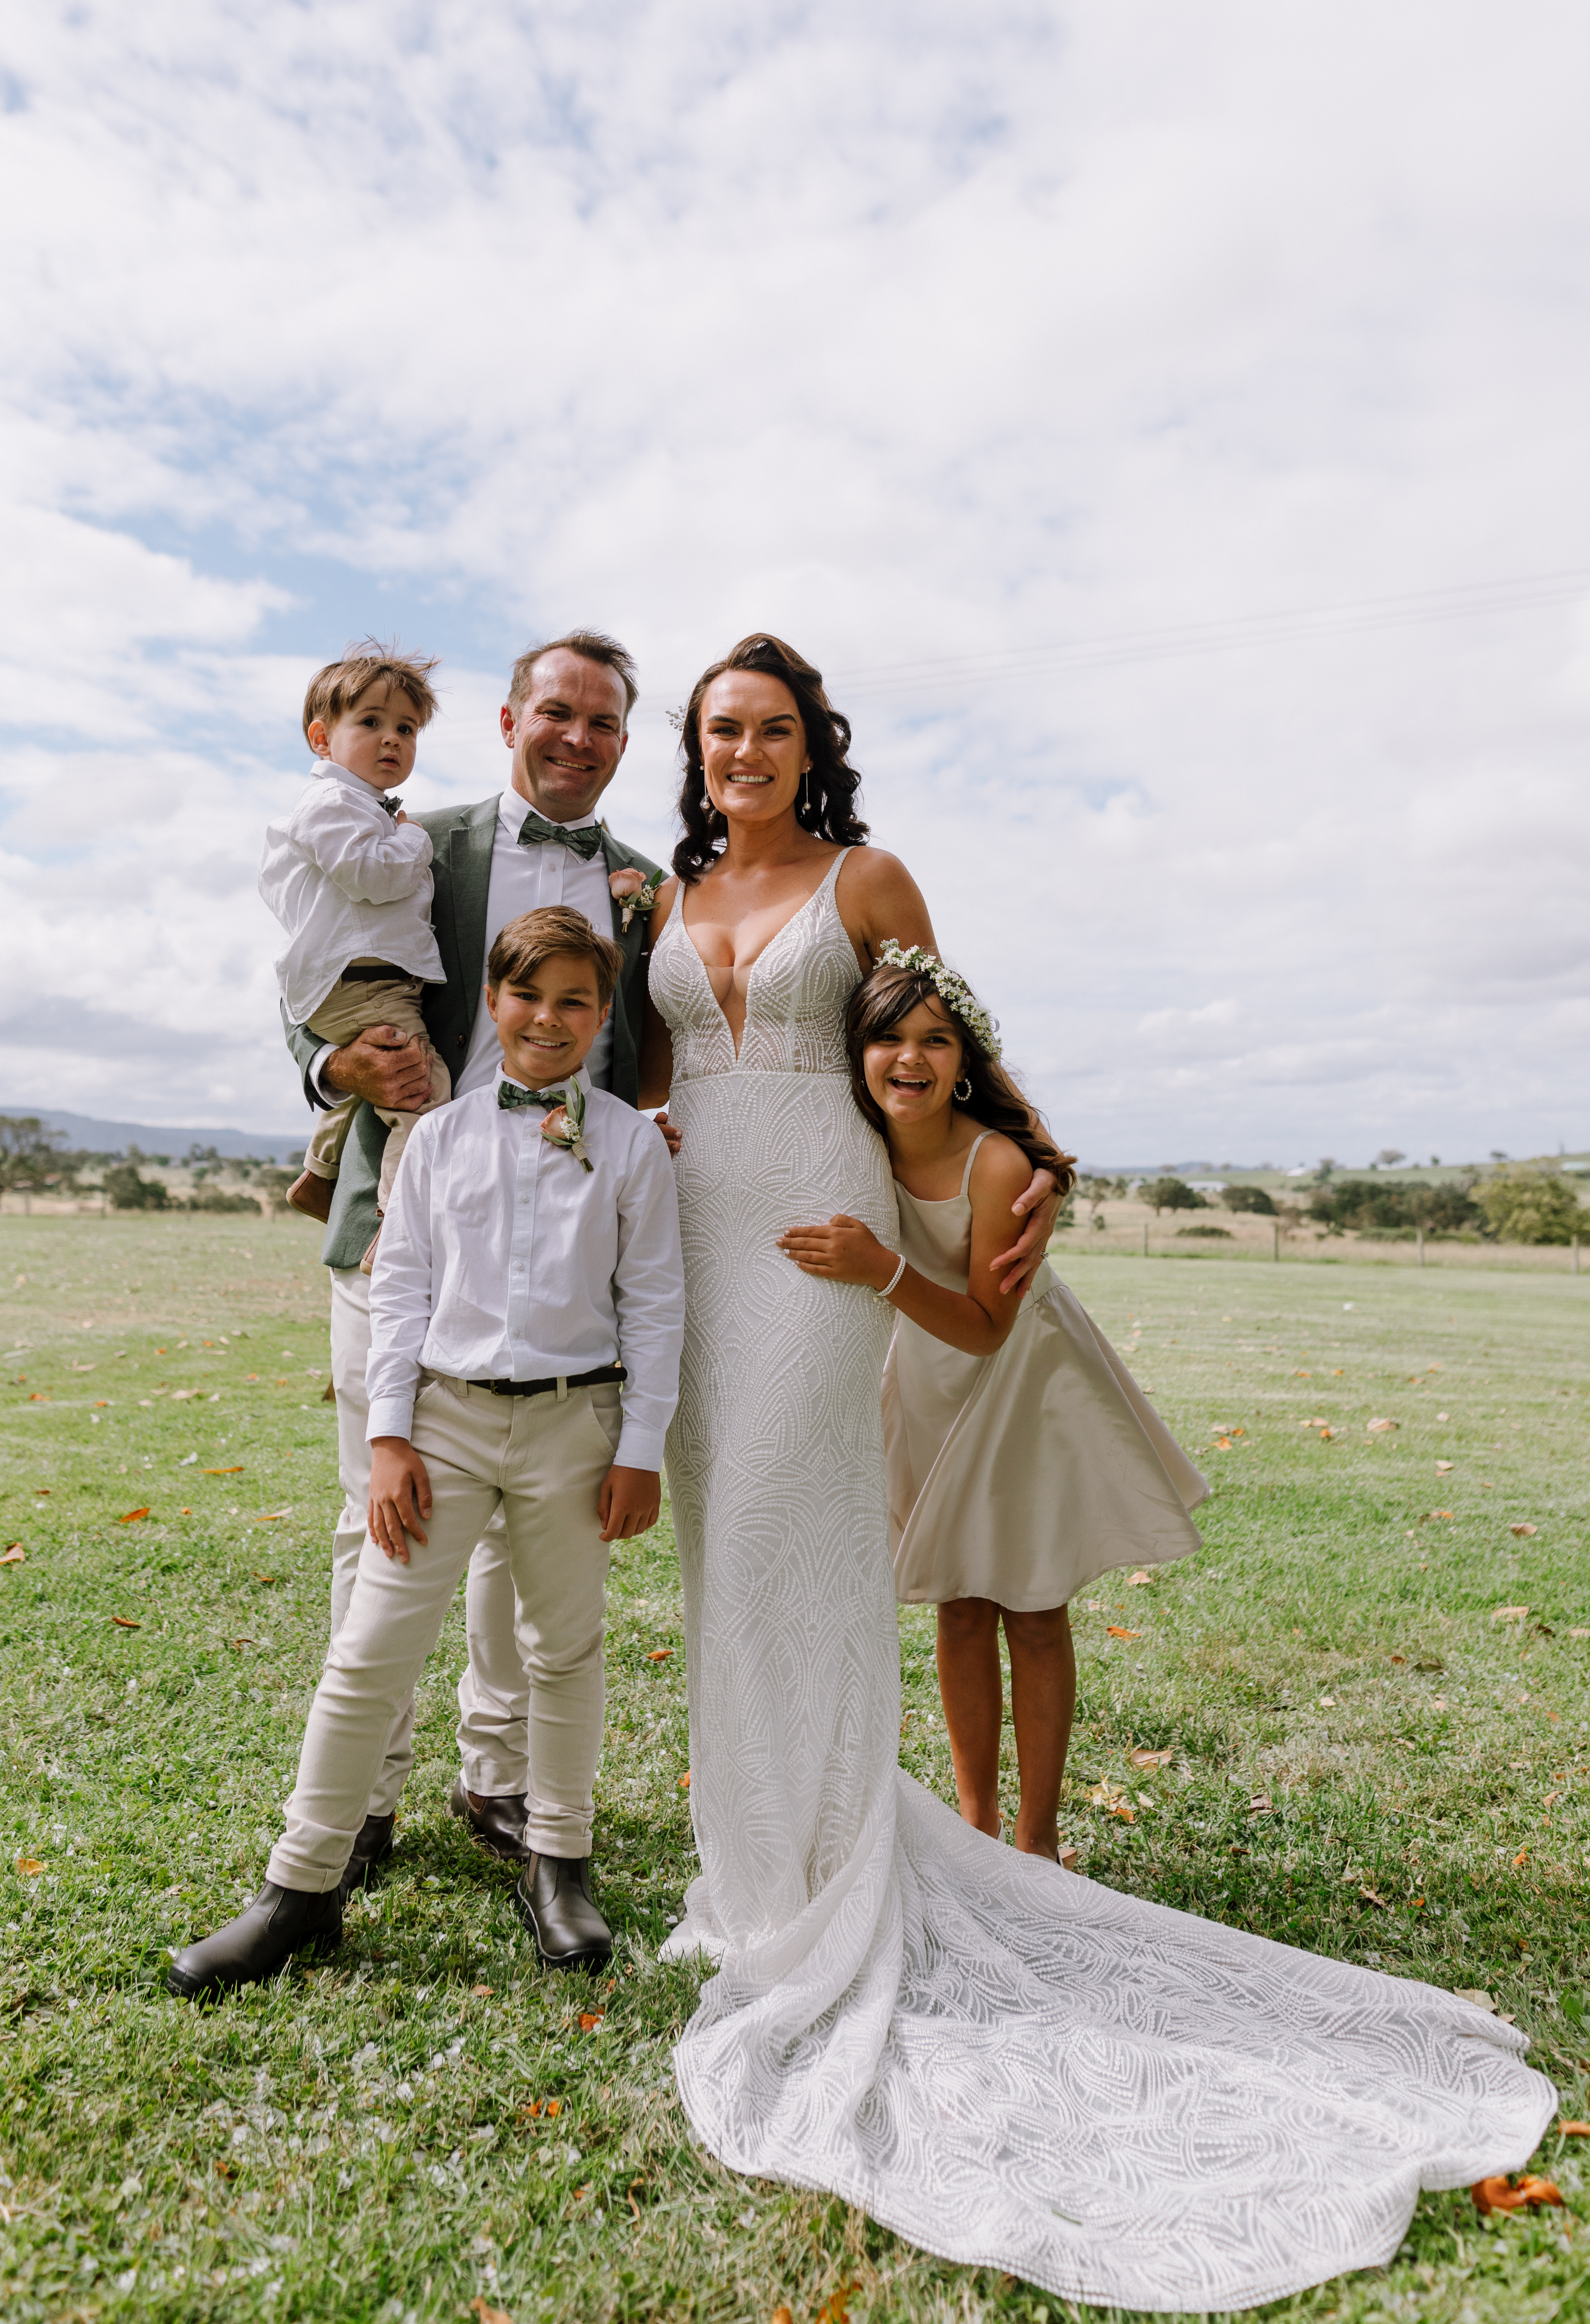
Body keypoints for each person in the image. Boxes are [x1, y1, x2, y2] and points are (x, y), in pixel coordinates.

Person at [639, 632, 1553, 2315]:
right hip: (697, 1248)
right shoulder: (669, 901)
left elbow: (946, 1031)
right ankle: (758, 1869)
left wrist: (1037, 1162)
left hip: (829, 1261)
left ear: (809, 743)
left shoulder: (869, 874)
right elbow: (638, 1071)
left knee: (793, 1539)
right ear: (693, 753)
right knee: (720, 1564)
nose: (744, 752)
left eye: (770, 728)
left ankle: (830, 1885)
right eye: (720, 731)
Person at [168, 908, 684, 1995]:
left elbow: (655, 1301)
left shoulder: (632, 1144)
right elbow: (399, 1289)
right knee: (370, 1649)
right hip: (442, 1423)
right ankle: (299, 1886)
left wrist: (640, 1445)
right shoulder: (440, 1134)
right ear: (493, 1003)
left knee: (564, 1652)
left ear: (603, 1016)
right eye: (528, 995)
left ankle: (558, 1861)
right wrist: (393, 1435)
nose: (549, 1018)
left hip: (573, 1427)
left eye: (575, 1000)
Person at [280, 630, 668, 1895]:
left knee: (529, 1549)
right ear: (508, 722)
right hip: (402, 1228)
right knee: (375, 1513)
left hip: (563, 1273)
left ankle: (497, 1778)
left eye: (602, 722)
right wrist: (335, 1066)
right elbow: (309, 990)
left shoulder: (642, 891)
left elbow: (649, 1055)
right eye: (555, 712)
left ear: (620, 742)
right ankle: (363, 1800)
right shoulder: (409, 844)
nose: (576, 738)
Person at [780, 945, 1204, 1864]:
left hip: (1019, 1381)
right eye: (889, 1038)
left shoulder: (999, 1164)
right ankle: (977, 1825)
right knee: (960, 1600)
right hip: (927, 1380)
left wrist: (881, 1267)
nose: (912, 1059)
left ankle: (1038, 1835)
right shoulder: (855, 1141)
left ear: (969, 1061)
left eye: (938, 1040)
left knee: (1031, 1598)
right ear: (856, 1053)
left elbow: (983, 1325)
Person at [260, 642, 452, 1262]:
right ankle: (396, 1228)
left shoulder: (362, 807)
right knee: (422, 1093)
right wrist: (415, 842)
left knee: (382, 1077)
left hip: (372, 981)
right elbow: (371, 875)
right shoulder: (332, 804)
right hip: (357, 981)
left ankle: (318, 1178)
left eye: (406, 728)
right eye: (370, 722)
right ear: (322, 738)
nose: (391, 739)